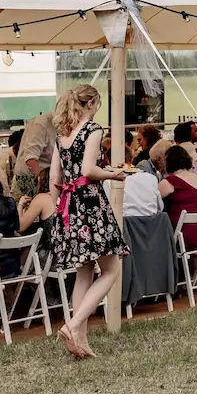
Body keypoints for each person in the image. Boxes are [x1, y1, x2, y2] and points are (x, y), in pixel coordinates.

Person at [46, 84, 131, 359]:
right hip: (91, 203)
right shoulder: (92, 130)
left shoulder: (62, 134)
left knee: (83, 272)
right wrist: (112, 174)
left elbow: (54, 179)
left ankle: (80, 340)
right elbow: (88, 170)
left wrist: (58, 210)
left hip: (68, 206)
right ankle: (72, 326)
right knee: (111, 269)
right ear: (91, 102)